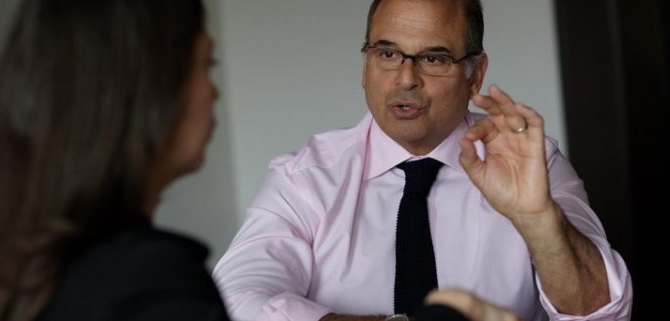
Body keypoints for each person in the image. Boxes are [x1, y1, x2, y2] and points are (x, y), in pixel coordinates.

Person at [212, 0, 633, 320]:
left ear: (476, 74)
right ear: (365, 66)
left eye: (433, 58)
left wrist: (539, 221)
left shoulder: (528, 160)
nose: (406, 78)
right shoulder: (305, 178)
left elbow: (605, 311)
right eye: (388, 54)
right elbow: (234, 298)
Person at [0, 0, 228, 320]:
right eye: (206, 64)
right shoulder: (146, 289)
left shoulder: (7, 276)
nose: (214, 92)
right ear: (145, 86)